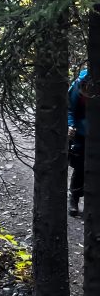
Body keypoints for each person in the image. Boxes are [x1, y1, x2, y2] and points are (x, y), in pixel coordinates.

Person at [68, 68, 90, 216]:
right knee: (80, 166)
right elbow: (69, 109)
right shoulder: (75, 89)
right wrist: (71, 125)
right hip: (81, 133)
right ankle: (74, 199)